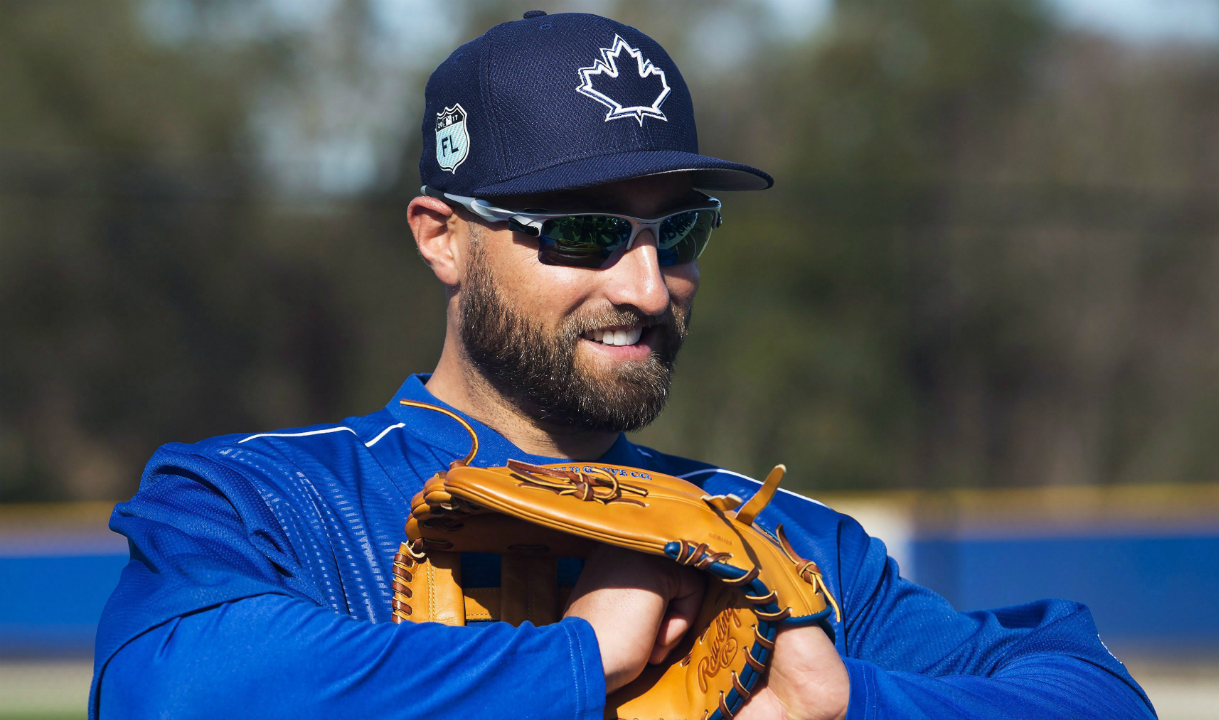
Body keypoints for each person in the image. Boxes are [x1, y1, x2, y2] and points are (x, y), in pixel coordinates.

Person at [92, 11, 1156, 720]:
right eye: (588, 230)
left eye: (678, 232)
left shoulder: (773, 538)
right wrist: (573, 663)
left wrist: (850, 703)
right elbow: (162, 688)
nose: (647, 287)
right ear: (439, 236)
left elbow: (1090, 695)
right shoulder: (270, 497)